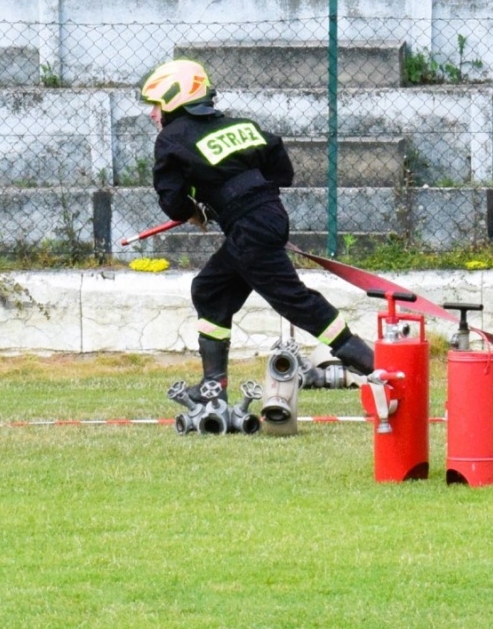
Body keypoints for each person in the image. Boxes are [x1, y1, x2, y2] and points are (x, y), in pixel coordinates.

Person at [139, 58, 376, 402]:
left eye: (156, 105)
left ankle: (371, 363)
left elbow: (172, 202)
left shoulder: (171, 138)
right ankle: (213, 387)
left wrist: (195, 209)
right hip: (268, 215)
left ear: (175, 100)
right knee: (210, 290)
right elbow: (280, 166)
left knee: (293, 299)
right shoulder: (240, 125)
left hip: (248, 228)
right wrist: (247, 197)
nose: (152, 114)